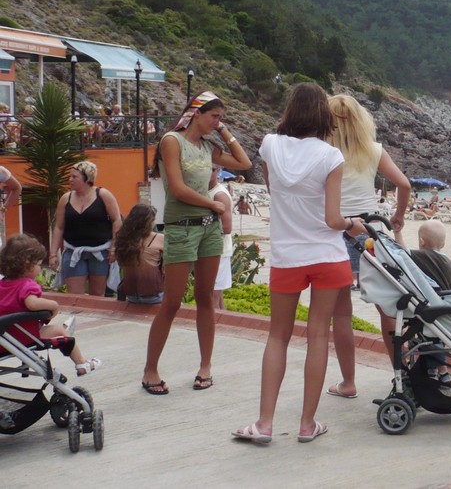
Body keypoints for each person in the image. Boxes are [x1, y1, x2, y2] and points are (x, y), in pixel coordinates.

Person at [233, 82, 362, 444]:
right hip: (327, 256)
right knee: (318, 335)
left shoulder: (270, 145)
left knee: (278, 336)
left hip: (287, 256)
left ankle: (264, 424)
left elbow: (274, 190)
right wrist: (354, 224)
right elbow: (333, 219)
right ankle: (307, 425)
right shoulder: (330, 157)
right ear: (323, 114)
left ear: (290, 110)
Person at [142, 91, 250, 396]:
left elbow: (244, 162)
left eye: (220, 118)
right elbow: (176, 189)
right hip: (181, 229)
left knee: (205, 298)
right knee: (172, 302)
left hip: (209, 232)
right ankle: (150, 369)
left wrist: (223, 132)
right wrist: (214, 205)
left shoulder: (207, 147)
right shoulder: (171, 141)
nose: (218, 122)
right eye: (214, 117)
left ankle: (206, 366)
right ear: (197, 114)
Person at [323, 94, 411, 400]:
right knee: (387, 309)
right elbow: (404, 184)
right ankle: (404, 375)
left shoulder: (323, 152)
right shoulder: (373, 150)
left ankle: (348, 383)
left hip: (334, 232)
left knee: (341, 315)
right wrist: (397, 217)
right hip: (370, 232)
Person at [0, 234, 103, 375]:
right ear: (27, 266)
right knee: (60, 331)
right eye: (38, 264)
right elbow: (32, 304)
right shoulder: (27, 285)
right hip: (24, 337)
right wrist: (53, 305)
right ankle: (81, 363)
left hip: (4, 339)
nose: (40, 268)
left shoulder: (2, 285)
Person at [387, 219, 451, 383]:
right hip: (444, 309)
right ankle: (441, 372)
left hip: (427, 309)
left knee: (423, 335)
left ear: (421, 242)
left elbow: (402, 251)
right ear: (443, 244)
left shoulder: (421, 256)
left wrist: (397, 232)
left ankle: (436, 371)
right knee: (437, 337)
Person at [49, 161, 122, 296]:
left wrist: (114, 247)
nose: (70, 179)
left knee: (97, 295)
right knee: (74, 296)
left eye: (74, 177)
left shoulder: (103, 195)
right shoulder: (66, 198)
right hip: (73, 251)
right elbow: (59, 227)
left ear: (87, 178)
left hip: (100, 251)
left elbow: (117, 220)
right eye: (70, 176)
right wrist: (53, 253)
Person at [115, 203, 165, 304]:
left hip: (131, 295)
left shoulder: (123, 240)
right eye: (154, 220)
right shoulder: (159, 238)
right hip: (154, 295)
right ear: (148, 222)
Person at [208, 165, 234, 310]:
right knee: (216, 295)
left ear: (218, 171)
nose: (207, 172)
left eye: (212, 169)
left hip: (219, 250)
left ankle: (212, 326)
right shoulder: (207, 191)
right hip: (211, 249)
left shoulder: (219, 195)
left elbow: (226, 228)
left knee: (212, 294)